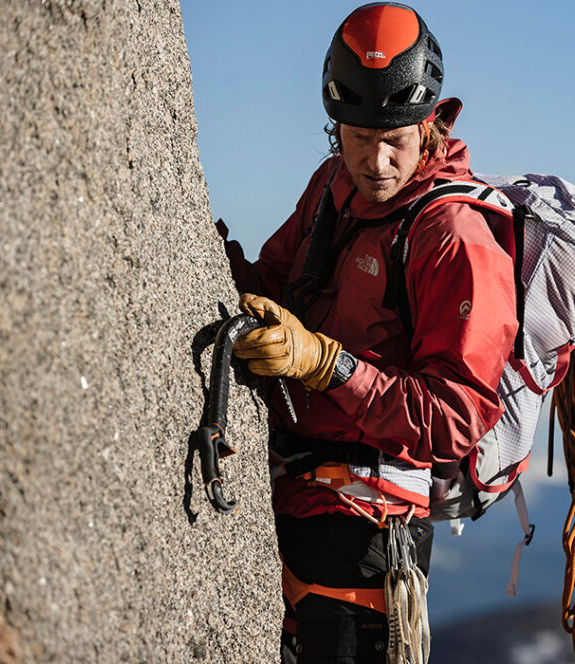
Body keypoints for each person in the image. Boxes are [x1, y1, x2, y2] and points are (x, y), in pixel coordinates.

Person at [219, 3, 518, 662]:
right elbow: (272, 286)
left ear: (431, 125)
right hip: (290, 499)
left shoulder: (453, 240)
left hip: (371, 539)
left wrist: (330, 366)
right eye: (357, 138)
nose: (376, 162)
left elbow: (457, 413)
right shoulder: (330, 187)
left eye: (396, 140)